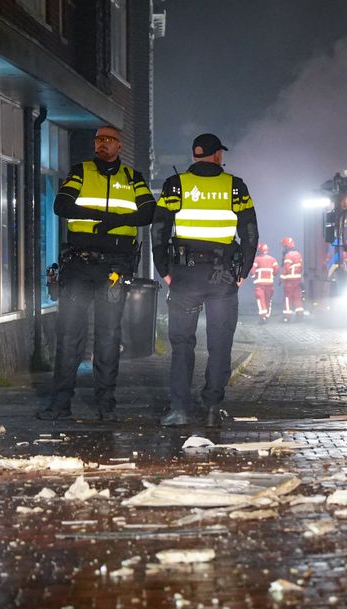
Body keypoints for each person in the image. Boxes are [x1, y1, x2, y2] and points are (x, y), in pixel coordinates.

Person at [37, 125, 156, 421]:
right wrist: (102, 218)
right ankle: (60, 404)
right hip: (79, 265)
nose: (102, 144)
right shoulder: (81, 172)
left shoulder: (132, 178)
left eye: (108, 140)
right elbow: (61, 205)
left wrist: (114, 221)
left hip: (114, 268)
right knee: (69, 334)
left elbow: (149, 212)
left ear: (119, 145)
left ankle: (106, 405)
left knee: (108, 334)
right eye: (98, 140)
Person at [151, 133, 258, 427]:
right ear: (217, 155)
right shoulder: (235, 187)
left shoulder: (176, 185)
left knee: (182, 342)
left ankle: (179, 410)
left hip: (184, 277)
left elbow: (159, 230)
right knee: (220, 342)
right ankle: (212, 408)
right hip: (222, 277)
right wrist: (243, 272)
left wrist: (165, 272)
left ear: (195, 155)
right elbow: (249, 233)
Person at [250, 241, 278, 323]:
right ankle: (267, 315)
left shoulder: (256, 259)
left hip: (259, 284)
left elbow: (252, 272)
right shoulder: (273, 259)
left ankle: (263, 317)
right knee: (268, 300)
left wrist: (253, 276)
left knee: (260, 300)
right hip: (270, 284)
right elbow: (276, 271)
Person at [279, 236, 304, 321]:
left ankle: (287, 316)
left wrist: (281, 279)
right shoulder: (298, 254)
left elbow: (286, 268)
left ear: (286, 246)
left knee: (287, 298)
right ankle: (300, 314)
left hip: (289, 282)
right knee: (297, 297)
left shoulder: (288, 255)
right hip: (297, 280)